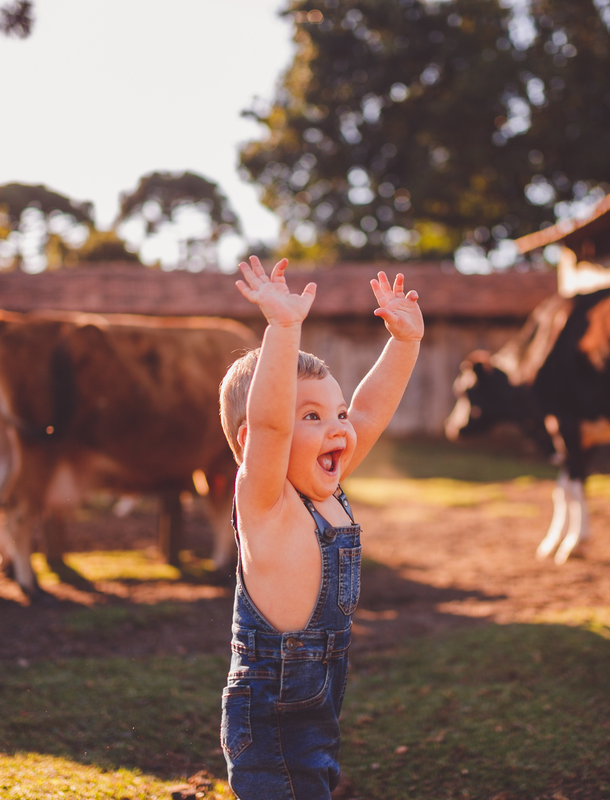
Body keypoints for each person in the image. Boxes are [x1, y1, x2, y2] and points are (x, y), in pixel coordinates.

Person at [218, 256, 423, 799]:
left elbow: (369, 413)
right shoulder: (266, 502)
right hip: (269, 715)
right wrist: (284, 328)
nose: (337, 429)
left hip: (318, 704)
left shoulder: (324, 489)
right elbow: (268, 422)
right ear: (249, 444)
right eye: (310, 417)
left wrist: (404, 344)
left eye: (335, 414)